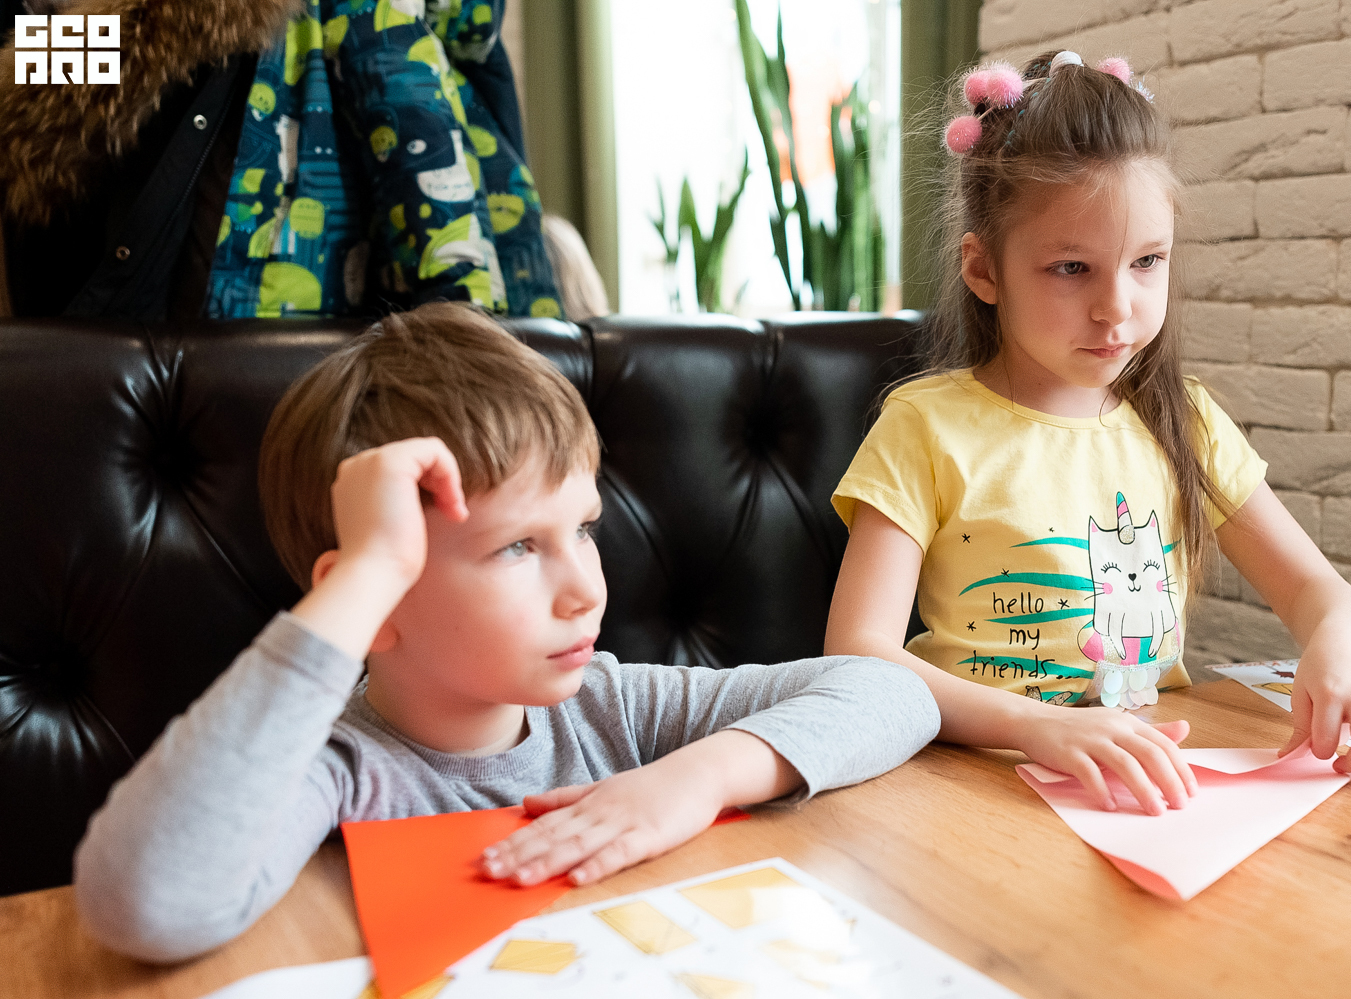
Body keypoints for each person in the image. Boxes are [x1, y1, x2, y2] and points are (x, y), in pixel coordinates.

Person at [73, 301, 939, 962]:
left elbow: (891, 690)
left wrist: (695, 778)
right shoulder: (345, 769)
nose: (585, 590)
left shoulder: (612, 707)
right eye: (518, 546)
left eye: (584, 529)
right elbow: (145, 904)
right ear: (376, 605)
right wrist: (362, 583)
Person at [824, 50, 1351, 818]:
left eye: (1147, 261)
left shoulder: (1186, 420)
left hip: (1142, 786)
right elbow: (857, 651)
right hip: (973, 787)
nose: (1117, 307)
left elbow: (1317, 591)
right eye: (1072, 268)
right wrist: (1037, 727)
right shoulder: (924, 426)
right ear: (985, 270)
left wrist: (1345, 645)